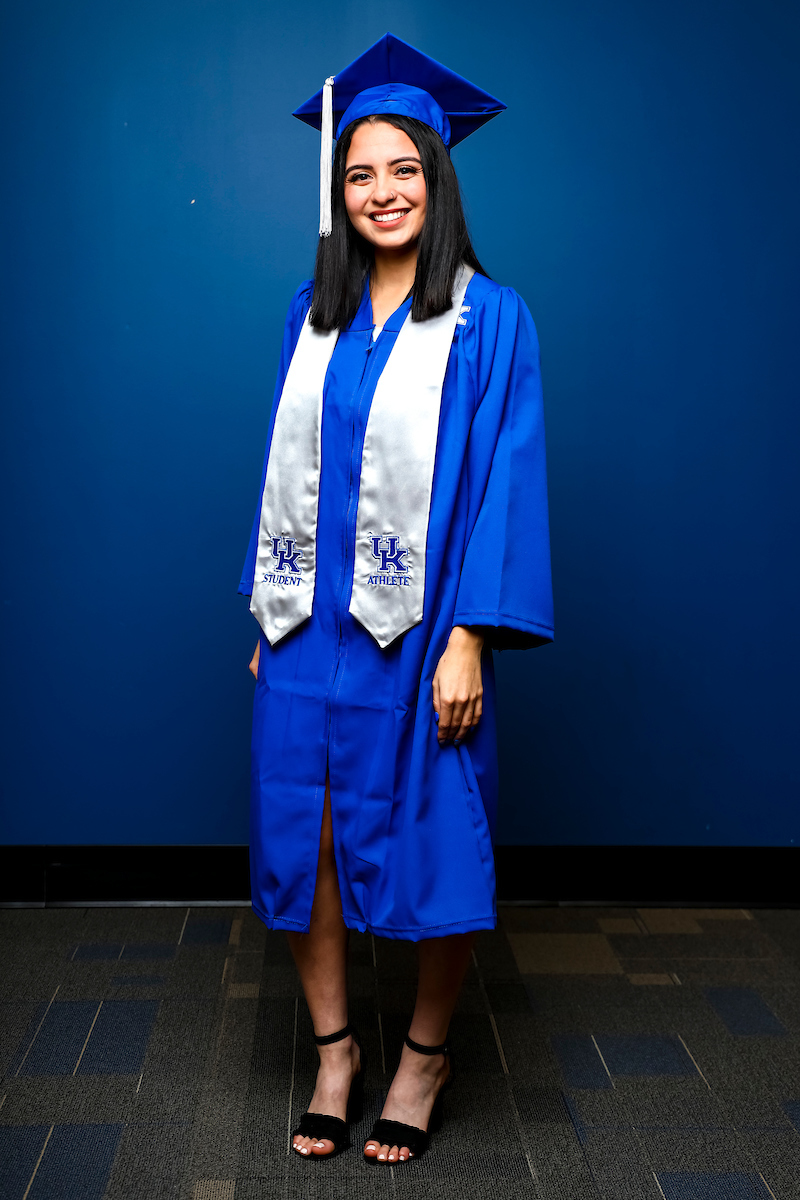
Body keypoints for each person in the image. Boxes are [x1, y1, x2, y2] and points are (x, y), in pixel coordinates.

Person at [239, 33, 553, 1165]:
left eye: (403, 169)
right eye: (358, 173)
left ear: (438, 179)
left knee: (433, 835)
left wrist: (469, 634)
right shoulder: (309, 316)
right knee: (306, 831)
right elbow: (284, 476)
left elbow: (504, 486)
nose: (380, 192)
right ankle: (336, 1051)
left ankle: (421, 1057)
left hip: (421, 637)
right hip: (307, 630)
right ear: (339, 191)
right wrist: (266, 616)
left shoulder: (489, 320)